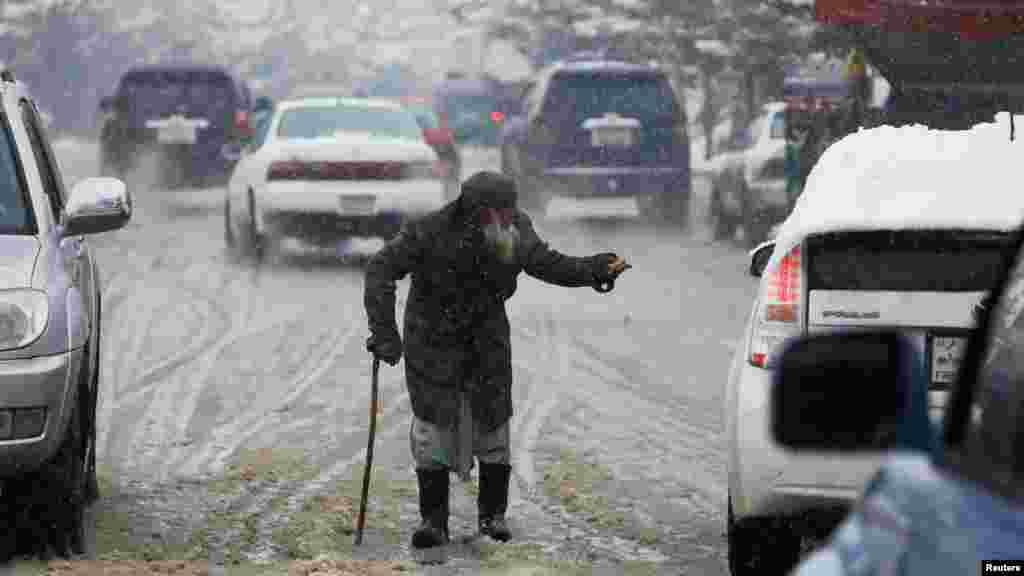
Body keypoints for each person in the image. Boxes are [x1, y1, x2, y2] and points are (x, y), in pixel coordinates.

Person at [363, 171, 629, 552]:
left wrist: (594, 269)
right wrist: (385, 333)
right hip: (432, 338)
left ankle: (492, 517)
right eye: (498, 216)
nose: (506, 222)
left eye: (510, 213)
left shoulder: (514, 228)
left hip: (486, 337)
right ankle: (433, 522)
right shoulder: (429, 231)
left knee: (493, 424)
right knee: (433, 428)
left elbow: (547, 263)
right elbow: (381, 269)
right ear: (473, 213)